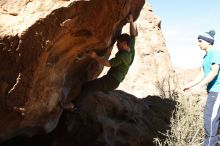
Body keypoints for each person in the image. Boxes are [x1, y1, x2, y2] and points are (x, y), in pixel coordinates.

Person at [61, 14, 138, 111]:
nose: (117, 45)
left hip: (112, 80)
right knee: (92, 86)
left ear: (125, 44)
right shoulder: (131, 49)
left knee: (88, 86)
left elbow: (107, 64)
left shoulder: (123, 56)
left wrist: (95, 56)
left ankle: (73, 106)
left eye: (119, 44)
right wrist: (131, 21)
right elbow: (133, 34)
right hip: (113, 79)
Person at [183, 30, 220, 146]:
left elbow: (214, 72)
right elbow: (203, 73)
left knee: (210, 121)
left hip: (217, 92)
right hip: (213, 92)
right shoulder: (206, 56)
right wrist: (189, 85)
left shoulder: (215, 53)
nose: (198, 44)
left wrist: (199, 86)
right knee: (214, 122)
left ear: (208, 42)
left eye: (200, 41)